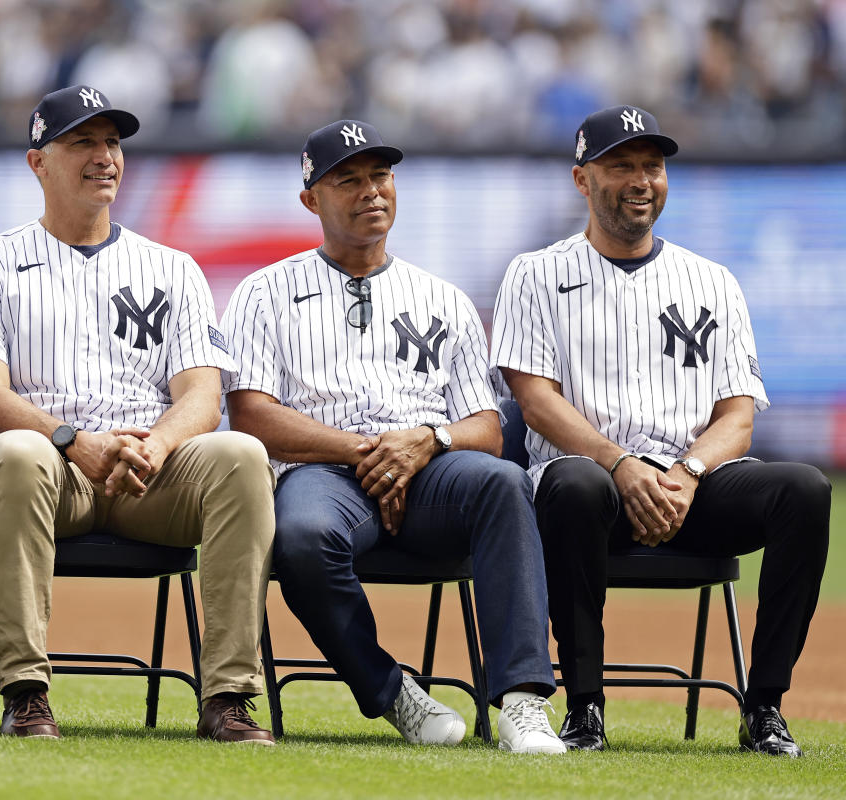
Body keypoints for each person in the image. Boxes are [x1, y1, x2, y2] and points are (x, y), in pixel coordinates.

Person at [490, 105, 830, 756]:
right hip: (588, 492)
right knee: (574, 485)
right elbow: (534, 402)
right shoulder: (534, 273)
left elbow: (738, 416)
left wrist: (686, 474)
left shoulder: (712, 281)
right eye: (621, 165)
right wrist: (622, 465)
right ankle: (584, 707)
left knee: (806, 491)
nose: (641, 179)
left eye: (653, 165)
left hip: (689, 487)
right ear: (582, 180)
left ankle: (764, 707)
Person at [0, 85, 276, 743]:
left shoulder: (172, 268)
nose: (104, 157)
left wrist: (156, 444)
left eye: (113, 142)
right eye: (82, 142)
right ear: (38, 163)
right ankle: (26, 693)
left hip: (152, 473)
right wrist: (75, 441)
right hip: (49, 469)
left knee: (242, 455)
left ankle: (229, 698)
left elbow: (203, 397)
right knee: (14, 451)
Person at [220, 120, 566, 754]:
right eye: (347, 180)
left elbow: (486, 428)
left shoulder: (444, 298)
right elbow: (253, 417)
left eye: (380, 175)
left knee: (504, 482)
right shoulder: (263, 292)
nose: (370, 191)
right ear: (310, 200)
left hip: (431, 474)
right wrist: (371, 452)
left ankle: (521, 700)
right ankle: (390, 691)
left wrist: (425, 443)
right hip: (320, 472)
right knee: (299, 536)